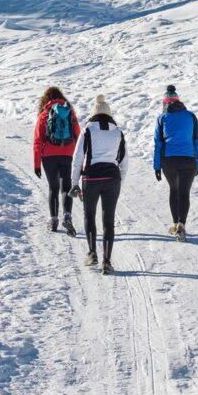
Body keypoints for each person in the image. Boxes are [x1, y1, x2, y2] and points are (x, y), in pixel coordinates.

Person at [69, 95, 128, 275]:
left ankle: (92, 252)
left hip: (91, 178)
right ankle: (107, 262)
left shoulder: (88, 130)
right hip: (112, 178)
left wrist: (74, 182)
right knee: (108, 220)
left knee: (89, 215)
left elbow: (78, 157)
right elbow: (124, 161)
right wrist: (119, 182)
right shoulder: (118, 132)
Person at [153, 85, 198, 241]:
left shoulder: (162, 118)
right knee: (184, 192)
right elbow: (197, 140)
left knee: (174, 190)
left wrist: (157, 166)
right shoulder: (191, 116)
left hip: (169, 160)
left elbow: (158, 143)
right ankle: (182, 225)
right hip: (189, 159)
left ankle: (175, 225)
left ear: (165, 103)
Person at [33, 86, 81, 236]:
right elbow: (79, 136)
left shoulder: (44, 114)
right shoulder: (70, 113)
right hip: (68, 153)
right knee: (66, 187)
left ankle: (53, 220)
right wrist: (81, 160)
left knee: (53, 188)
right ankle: (67, 215)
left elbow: (37, 141)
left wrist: (36, 164)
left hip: (49, 156)